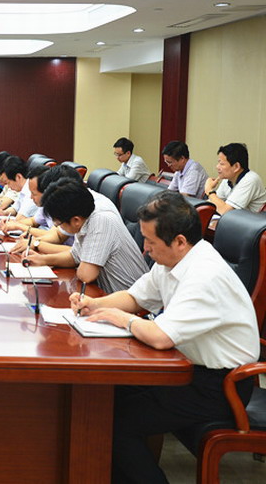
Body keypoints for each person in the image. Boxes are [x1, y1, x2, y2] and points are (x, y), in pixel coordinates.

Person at [69, 191, 259, 483]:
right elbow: (136, 297)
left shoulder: (204, 275)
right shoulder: (173, 261)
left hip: (220, 386)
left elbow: (160, 337)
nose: (145, 249)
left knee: (117, 423)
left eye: (150, 242)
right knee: (105, 399)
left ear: (180, 241)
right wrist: (93, 304)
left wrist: (123, 319)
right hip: (187, 369)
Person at [26, 178, 148, 293]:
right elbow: (74, 256)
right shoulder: (84, 220)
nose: (59, 228)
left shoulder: (101, 221)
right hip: (108, 294)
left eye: (59, 224)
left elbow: (86, 275)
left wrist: (80, 263)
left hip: (132, 300)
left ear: (76, 220)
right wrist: (43, 260)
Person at [204, 142, 266, 214]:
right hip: (238, 218)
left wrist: (209, 190)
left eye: (222, 164)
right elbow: (213, 203)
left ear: (236, 166)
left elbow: (225, 211)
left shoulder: (250, 180)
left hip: (255, 220)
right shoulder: (228, 179)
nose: (217, 167)